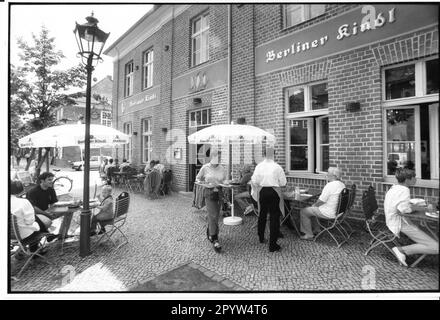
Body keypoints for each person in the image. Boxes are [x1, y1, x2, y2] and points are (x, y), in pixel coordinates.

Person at [384, 168, 438, 267]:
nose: (416, 179)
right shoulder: (404, 190)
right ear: (407, 180)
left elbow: (402, 206)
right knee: (436, 247)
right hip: (400, 223)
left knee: (423, 229)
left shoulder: (394, 187)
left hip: (392, 221)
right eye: (414, 177)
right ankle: (401, 250)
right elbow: (404, 209)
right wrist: (425, 209)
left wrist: (417, 207)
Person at [251, 147, 286, 252]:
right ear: (273, 154)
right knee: (274, 217)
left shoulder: (259, 166)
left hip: (262, 191)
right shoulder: (277, 167)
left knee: (262, 214)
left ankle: (261, 237)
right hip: (274, 192)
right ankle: (272, 245)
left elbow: (254, 180)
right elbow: (283, 183)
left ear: (264, 155)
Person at [299, 167, 346, 241]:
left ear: (334, 176)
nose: (327, 175)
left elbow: (321, 201)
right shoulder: (342, 184)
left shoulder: (330, 185)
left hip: (329, 212)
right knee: (312, 210)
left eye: (328, 173)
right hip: (338, 212)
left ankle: (308, 235)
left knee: (304, 211)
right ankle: (317, 230)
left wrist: (314, 205)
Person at [10, 180, 57, 252]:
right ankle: (34, 251)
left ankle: (23, 251)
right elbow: (30, 221)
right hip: (23, 236)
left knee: (36, 221)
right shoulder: (23, 202)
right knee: (38, 225)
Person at [196, 148, 226, 252]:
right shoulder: (205, 167)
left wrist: (226, 182)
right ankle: (214, 238)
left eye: (219, 156)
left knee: (216, 215)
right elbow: (198, 179)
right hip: (209, 193)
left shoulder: (222, 168)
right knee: (213, 215)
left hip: (219, 193)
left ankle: (210, 232)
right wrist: (204, 183)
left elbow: (224, 179)